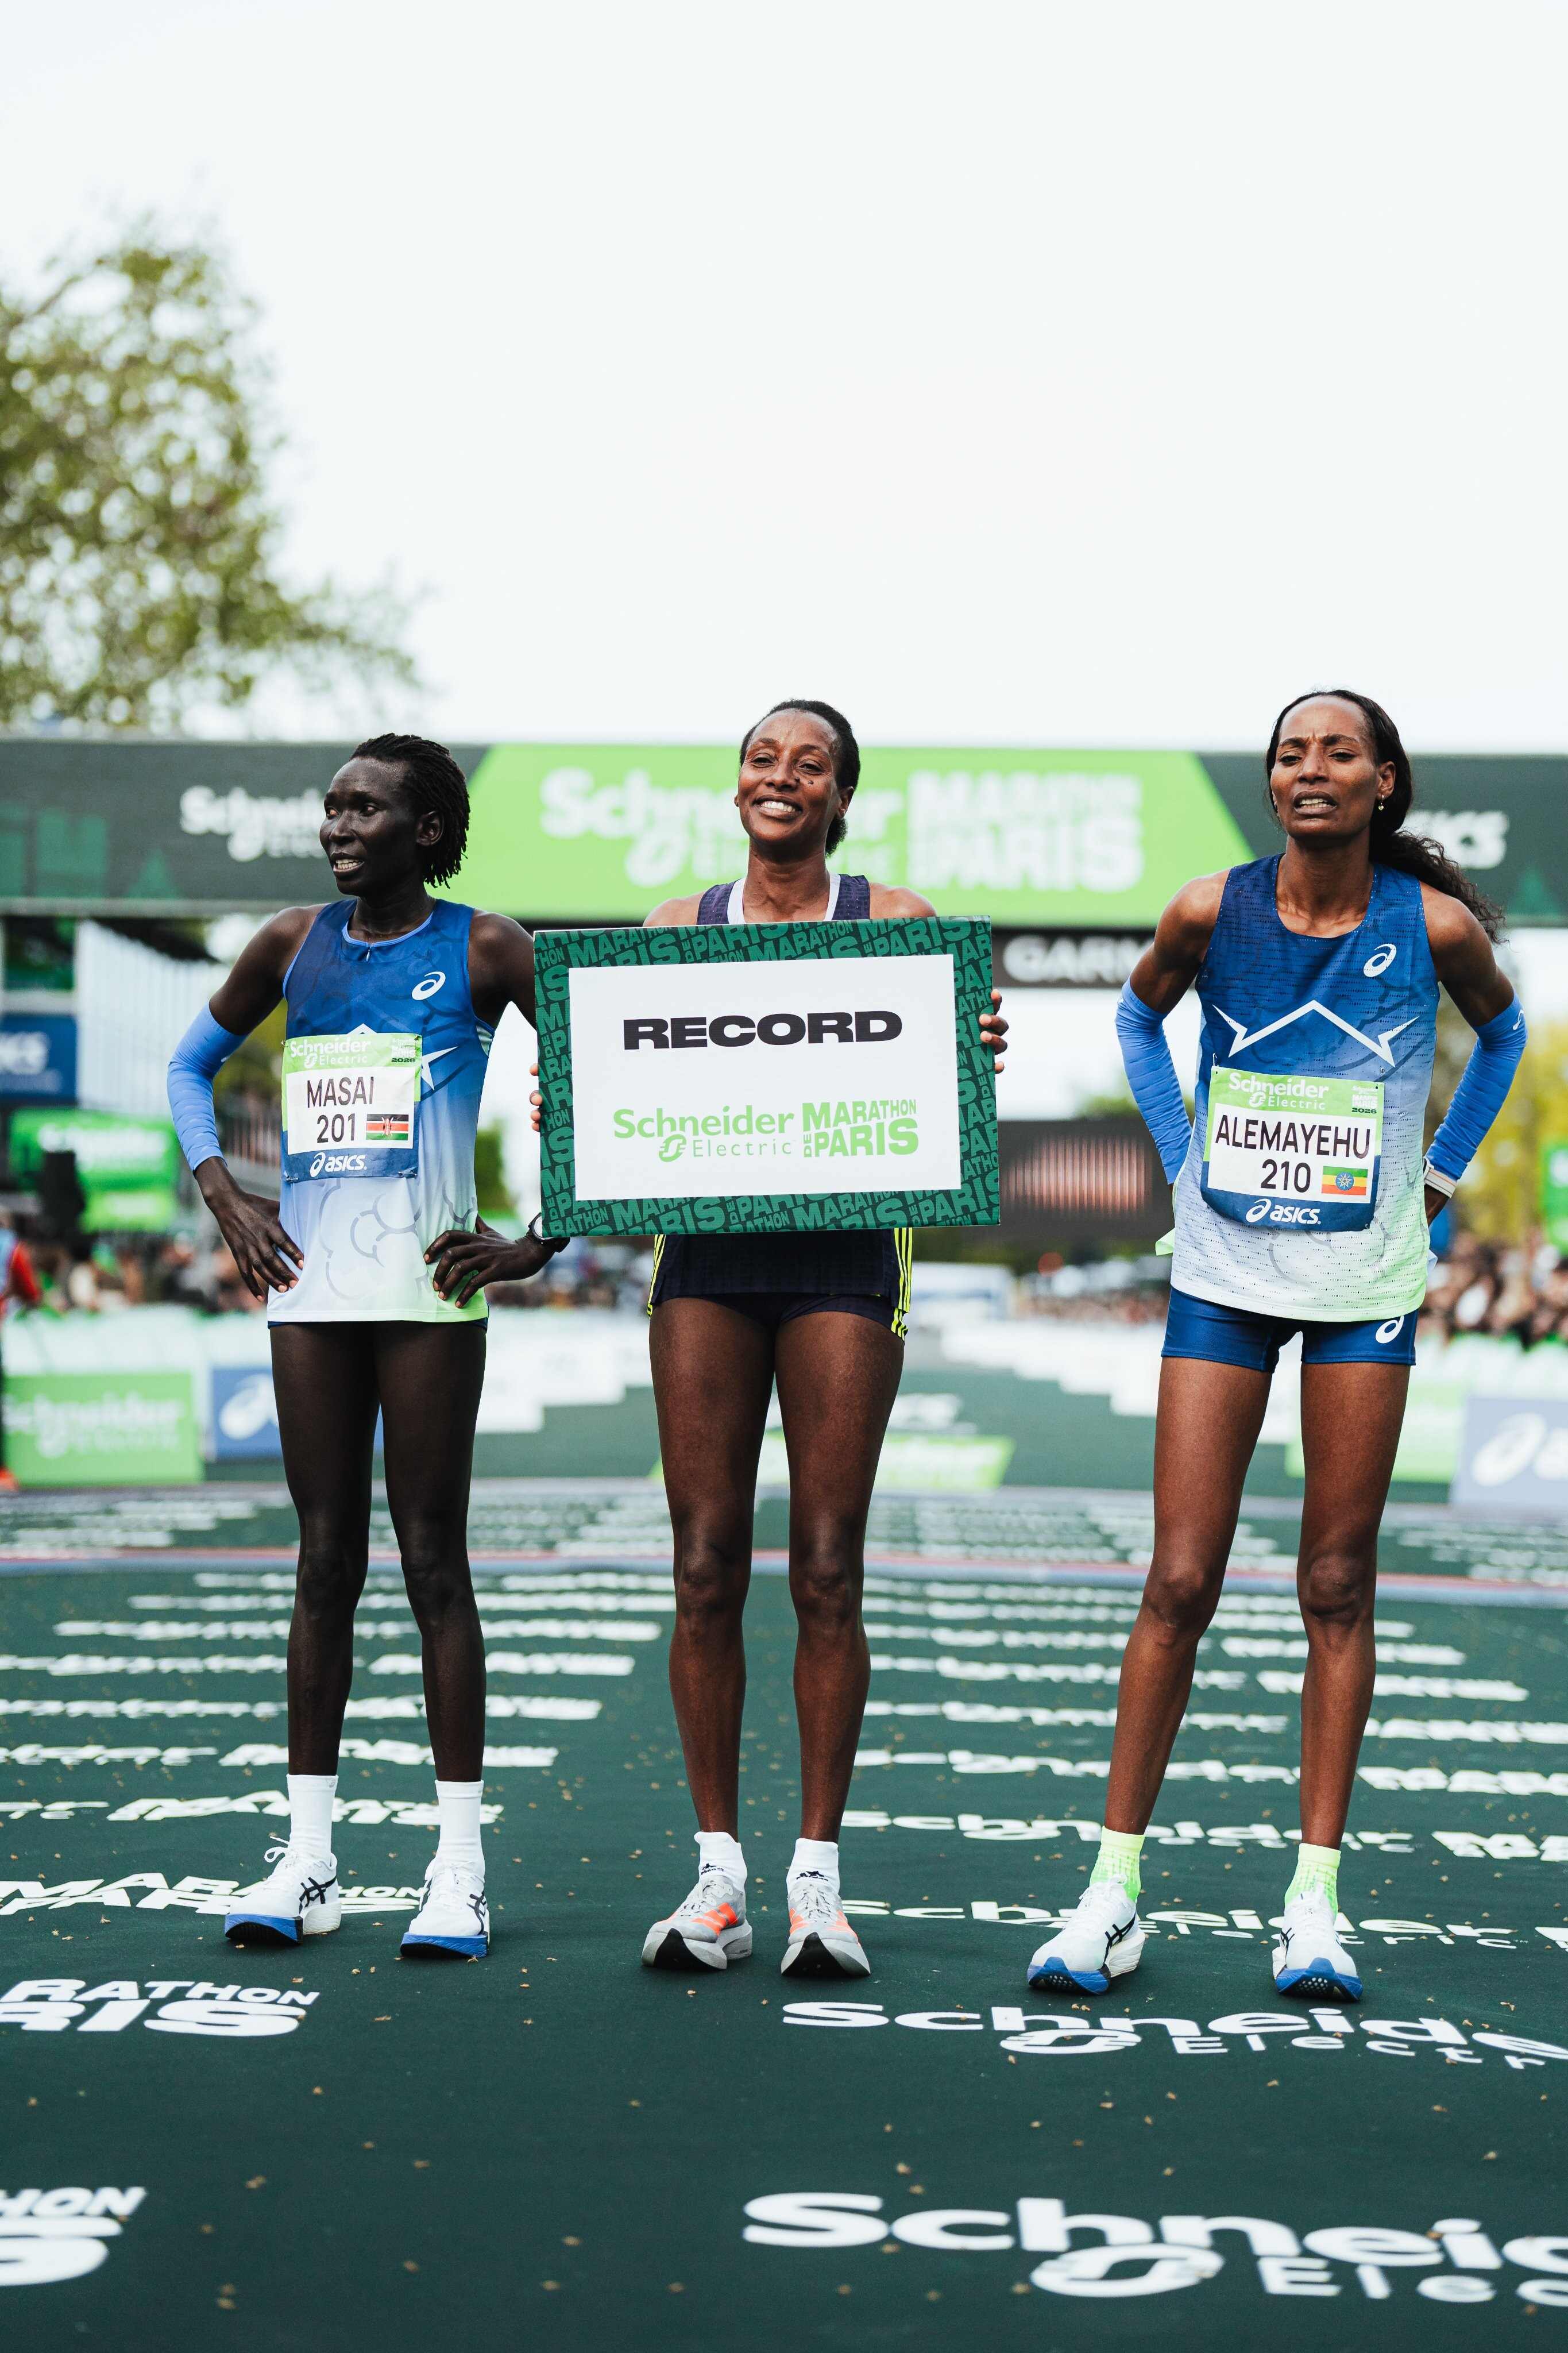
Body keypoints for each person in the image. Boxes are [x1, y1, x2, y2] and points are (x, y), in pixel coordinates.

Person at [1028, 689, 1525, 2004]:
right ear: (1272, 782)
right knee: (1179, 1578)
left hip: (1366, 1279)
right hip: (1225, 1276)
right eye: (1291, 752)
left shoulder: (1434, 925)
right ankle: (1111, 1891)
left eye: (1338, 752)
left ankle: (1314, 1902)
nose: (1312, 769)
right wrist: (1180, 1151)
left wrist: (1440, 1172)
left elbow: (1507, 1032)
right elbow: (1136, 1019)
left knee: (1336, 1582)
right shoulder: (1210, 908)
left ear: (1383, 782)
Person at [621, 700, 1007, 1978]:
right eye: (761, 758)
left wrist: (970, 1050)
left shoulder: (894, 920)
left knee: (829, 1567)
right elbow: (624, 1088)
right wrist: (581, 1097)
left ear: (841, 796)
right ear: (736, 782)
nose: (779, 776)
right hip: (707, 1260)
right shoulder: (674, 930)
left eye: (809, 764)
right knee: (703, 1566)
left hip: (844, 1258)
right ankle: (717, 1877)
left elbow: (946, 1085)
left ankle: (817, 1884)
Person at [167, 735, 562, 1958]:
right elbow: (188, 1067)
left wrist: (543, 1237)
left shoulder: (488, 947)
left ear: (426, 830)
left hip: (430, 1291)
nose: (336, 826)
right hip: (310, 1292)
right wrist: (226, 1198)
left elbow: (600, 1075)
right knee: (323, 1561)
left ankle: (459, 1869)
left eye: (363, 808)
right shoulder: (293, 942)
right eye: (331, 807)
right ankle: (308, 1860)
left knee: (433, 1563)